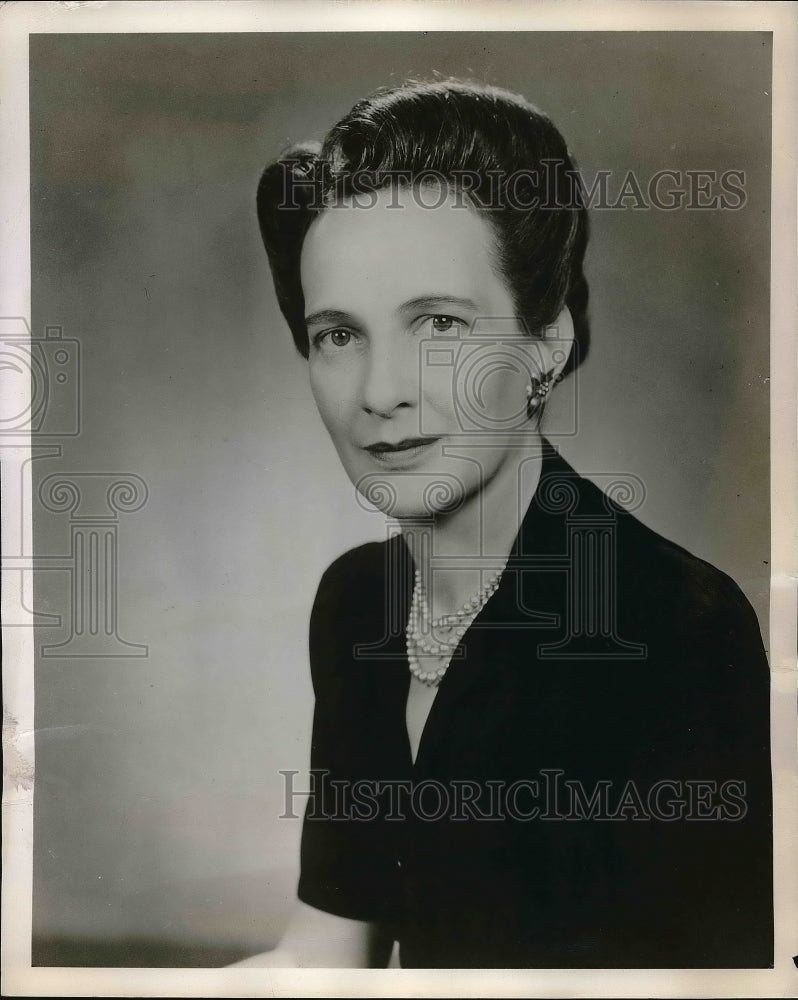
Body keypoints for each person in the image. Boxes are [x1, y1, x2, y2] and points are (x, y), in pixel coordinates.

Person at [233, 80, 772, 969]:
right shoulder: (359, 603)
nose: (380, 392)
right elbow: (327, 952)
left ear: (545, 342)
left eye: (439, 323)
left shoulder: (672, 631)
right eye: (338, 334)